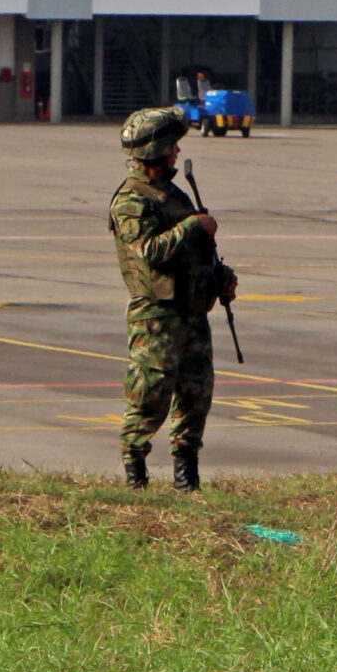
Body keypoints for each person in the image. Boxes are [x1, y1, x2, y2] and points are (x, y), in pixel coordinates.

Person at [109, 106, 236, 491]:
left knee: (196, 393)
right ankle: (136, 474)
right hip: (156, 316)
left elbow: (194, 254)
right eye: (172, 146)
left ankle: (186, 475)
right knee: (150, 394)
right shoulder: (132, 200)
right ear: (156, 150)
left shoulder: (172, 193)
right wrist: (192, 226)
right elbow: (149, 250)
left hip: (191, 310)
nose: (177, 152)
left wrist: (220, 279)